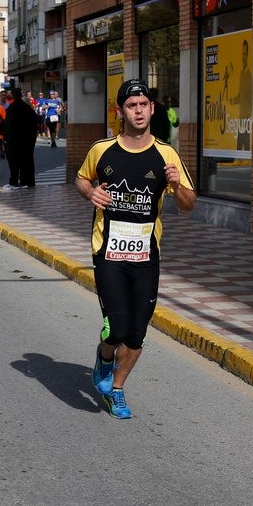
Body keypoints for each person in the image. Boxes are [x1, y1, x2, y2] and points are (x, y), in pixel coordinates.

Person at [75, 79, 196, 419]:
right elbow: (82, 178)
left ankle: (117, 390)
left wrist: (175, 184)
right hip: (108, 252)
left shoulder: (166, 154)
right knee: (117, 326)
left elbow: (189, 203)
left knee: (138, 331)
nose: (139, 110)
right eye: (132, 105)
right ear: (120, 111)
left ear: (152, 109)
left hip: (146, 255)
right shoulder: (103, 150)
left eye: (144, 104)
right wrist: (90, 193)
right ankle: (105, 355)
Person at [2, 88, 38, 189]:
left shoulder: (12, 109)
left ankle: (14, 182)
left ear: (13, 95)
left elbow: (8, 126)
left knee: (14, 162)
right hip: (28, 141)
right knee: (27, 161)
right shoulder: (28, 108)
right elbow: (34, 125)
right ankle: (28, 181)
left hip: (14, 140)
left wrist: (6, 139)